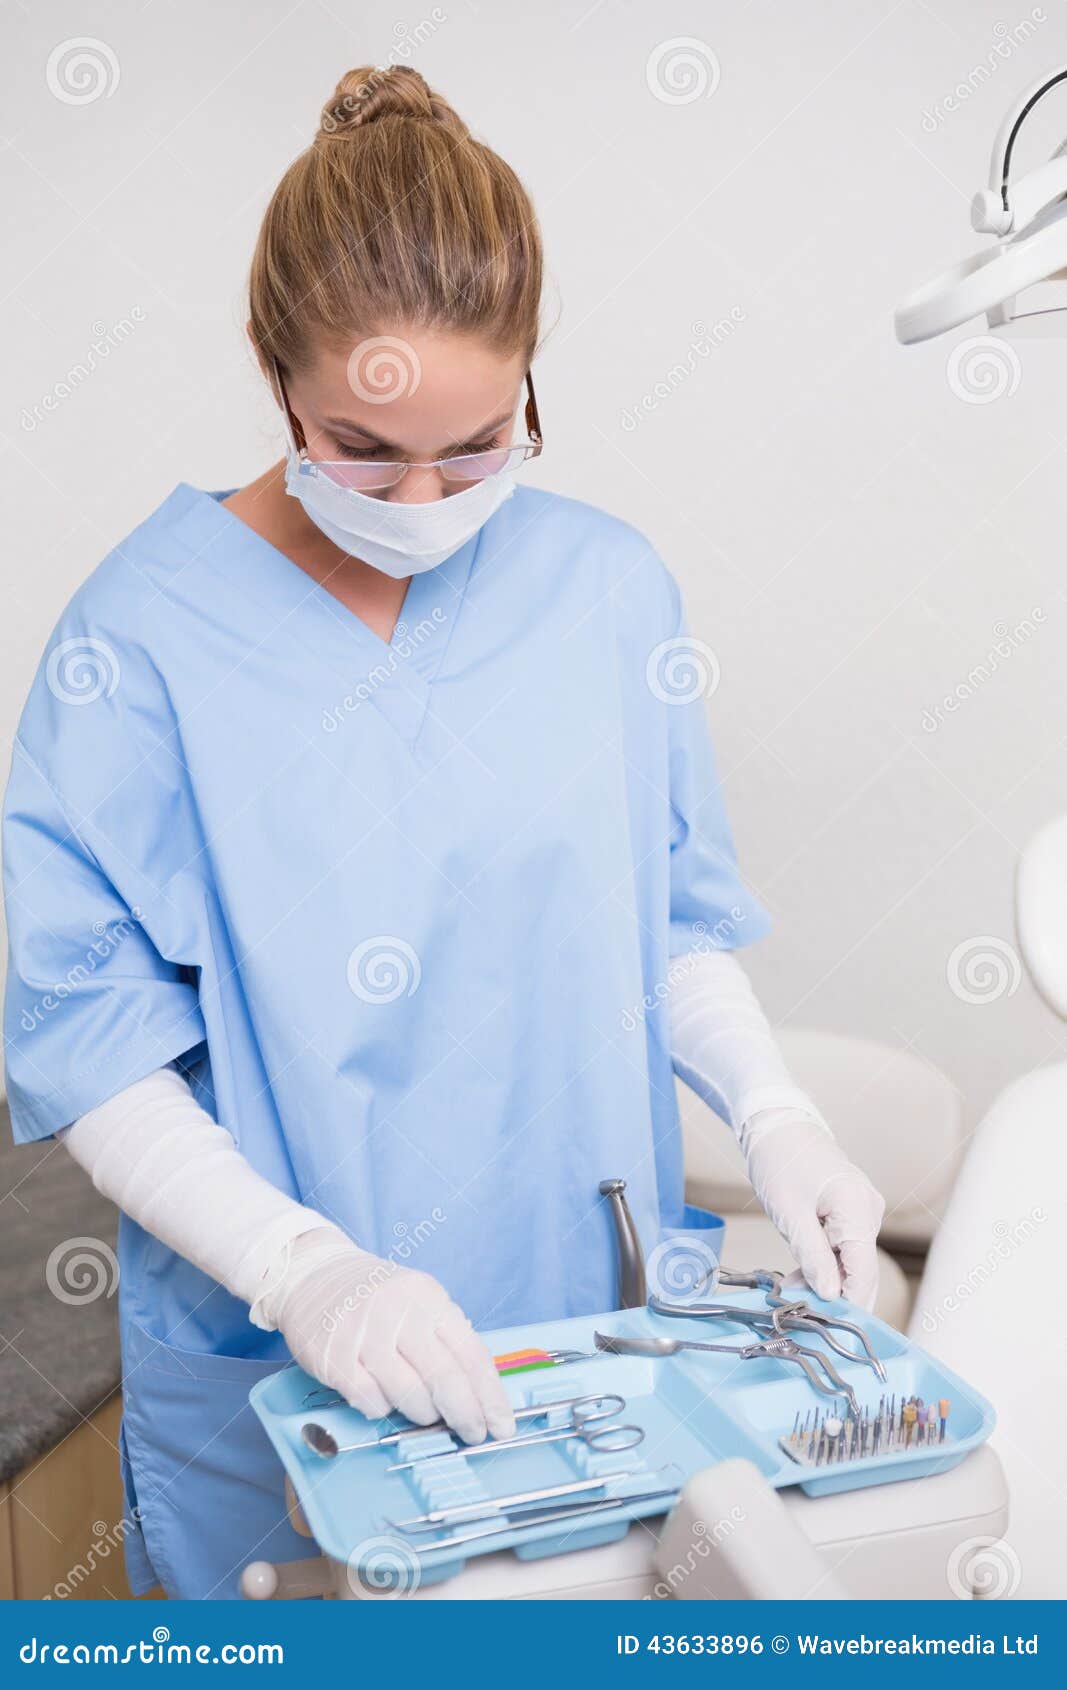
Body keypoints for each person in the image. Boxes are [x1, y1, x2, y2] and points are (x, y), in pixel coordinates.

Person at [2, 66, 884, 1599]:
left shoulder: (606, 592)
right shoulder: (135, 644)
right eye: (360, 446)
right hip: (281, 1382)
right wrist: (307, 1270)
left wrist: (773, 1110)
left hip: (582, 1343)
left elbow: (661, 918)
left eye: (479, 447)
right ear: (277, 379)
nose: (423, 495)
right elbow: (89, 1047)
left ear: (532, 378)